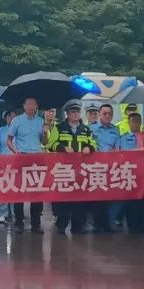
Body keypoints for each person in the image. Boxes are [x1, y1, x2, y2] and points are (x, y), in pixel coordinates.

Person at [49, 100, 97, 234]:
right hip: (64, 169)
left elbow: (94, 143)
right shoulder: (59, 128)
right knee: (63, 198)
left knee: (80, 198)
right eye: (73, 111)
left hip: (81, 169)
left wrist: (89, 147)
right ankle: (61, 224)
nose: (76, 114)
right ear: (67, 114)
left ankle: (78, 225)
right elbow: (51, 145)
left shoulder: (86, 129)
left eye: (77, 111)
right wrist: (63, 148)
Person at [5, 97, 46, 232]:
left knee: (37, 191)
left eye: (33, 104)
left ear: (37, 106)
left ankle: (36, 223)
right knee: (19, 190)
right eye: (28, 104)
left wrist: (45, 133)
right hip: (21, 156)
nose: (31, 106)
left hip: (37, 158)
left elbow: (44, 142)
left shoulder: (41, 121)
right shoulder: (17, 120)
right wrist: (15, 151)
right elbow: (9, 140)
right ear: (23, 106)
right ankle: (19, 222)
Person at [117, 112, 144, 233]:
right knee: (130, 200)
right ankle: (131, 225)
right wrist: (140, 149)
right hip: (130, 173)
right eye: (133, 121)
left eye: (138, 121)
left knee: (142, 199)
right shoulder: (124, 137)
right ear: (129, 123)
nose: (136, 124)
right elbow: (124, 153)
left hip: (143, 173)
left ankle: (141, 225)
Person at [91, 103, 122, 232]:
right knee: (97, 197)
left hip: (110, 167)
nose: (107, 116)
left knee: (110, 197)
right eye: (105, 113)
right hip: (96, 167)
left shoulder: (115, 130)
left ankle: (108, 224)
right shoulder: (92, 128)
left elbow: (117, 148)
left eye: (110, 114)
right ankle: (97, 224)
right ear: (99, 114)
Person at [0, 109, 16, 225]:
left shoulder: (19, 129)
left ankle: (15, 213)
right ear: (6, 118)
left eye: (14, 116)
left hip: (16, 162)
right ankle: (2, 214)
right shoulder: (1, 130)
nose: (11, 118)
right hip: (3, 162)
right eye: (9, 116)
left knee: (15, 188)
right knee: (3, 187)